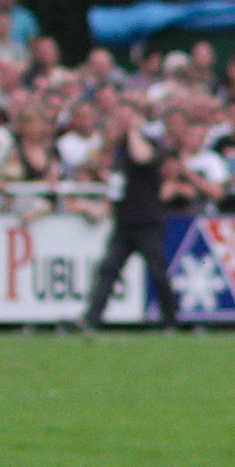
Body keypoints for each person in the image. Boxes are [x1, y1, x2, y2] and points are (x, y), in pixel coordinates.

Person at [78, 97, 185, 327]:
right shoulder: (118, 151)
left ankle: (171, 320)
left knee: (157, 273)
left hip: (148, 222)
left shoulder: (149, 143)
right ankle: (92, 319)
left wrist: (133, 130)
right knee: (108, 271)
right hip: (125, 223)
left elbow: (143, 158)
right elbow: (117, 185)